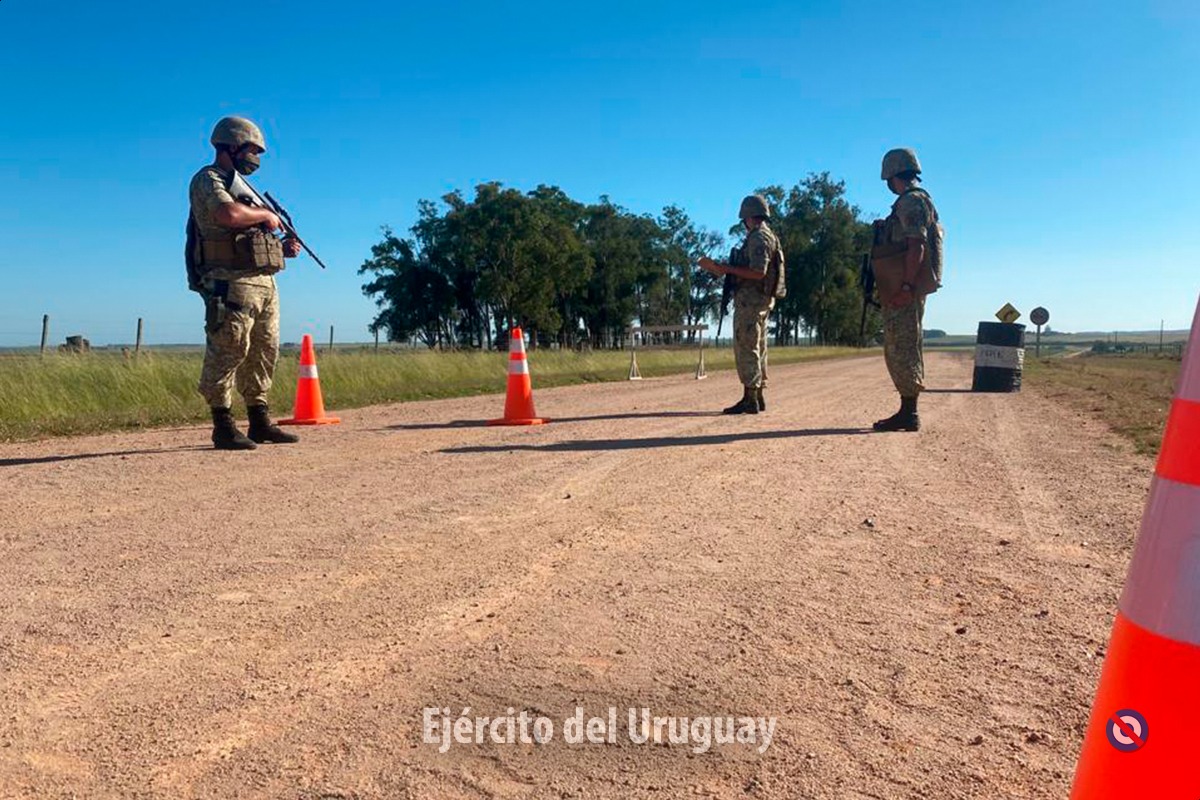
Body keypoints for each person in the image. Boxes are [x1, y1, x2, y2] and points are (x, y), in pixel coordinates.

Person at [186, 116, 302, 450]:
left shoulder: (243, 187)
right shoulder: (208, 179)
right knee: (229, 349)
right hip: (228, 282)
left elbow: (248, 236)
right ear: (232, 146)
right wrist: (266, 216)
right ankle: (222, 426)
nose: (256, 159)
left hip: (262, 282)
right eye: (252, 150)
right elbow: (228, 216)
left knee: (264, 351)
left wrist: (281, 249)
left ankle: (259, 422)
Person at [871, 147, 943, 432]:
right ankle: (907, 409)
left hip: (905, 287)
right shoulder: (912, 202)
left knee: (902, 345)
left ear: (891, 175)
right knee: (901, 343)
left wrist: (906, 286)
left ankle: (909, 412)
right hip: (905, 284)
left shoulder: (911, 202)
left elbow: (917, 245)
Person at [699, 194, 786, 414]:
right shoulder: (768, 236)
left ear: (748, 216)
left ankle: (750, 398)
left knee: (747, 347)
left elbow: (758, 272)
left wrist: (727, 268)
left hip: (752, 301)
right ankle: (757, 395)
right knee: (758, 347)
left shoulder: (759, 237)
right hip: (760, 300)